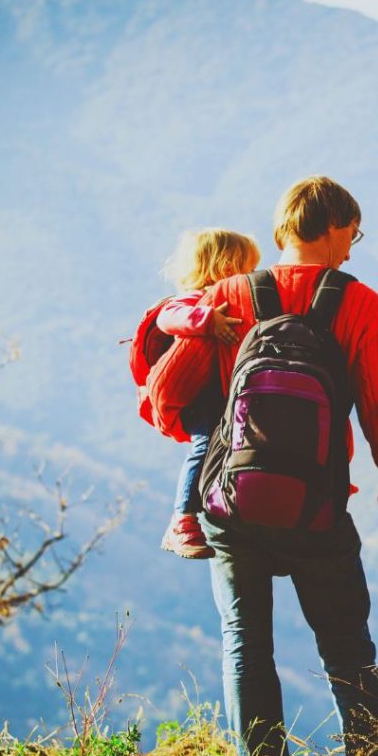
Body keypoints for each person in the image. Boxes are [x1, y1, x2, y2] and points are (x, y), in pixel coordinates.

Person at [148, 176, 378, 756]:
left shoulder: (228, 296)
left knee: (246, 643)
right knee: (348, 649)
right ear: (330, 228)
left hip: (232, 505)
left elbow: (164, 392)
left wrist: (207, 422)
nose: (352, 248)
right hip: (317, 509)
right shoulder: (360, 304)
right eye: (352, 233)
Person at [155, 228, 258, 560]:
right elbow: (167, 318)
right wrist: (206, 318)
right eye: (245, 268)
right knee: (203, 447)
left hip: (228, 392)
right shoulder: (193, 299)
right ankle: (182, 518)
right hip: (203, 394)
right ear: (223, 266)